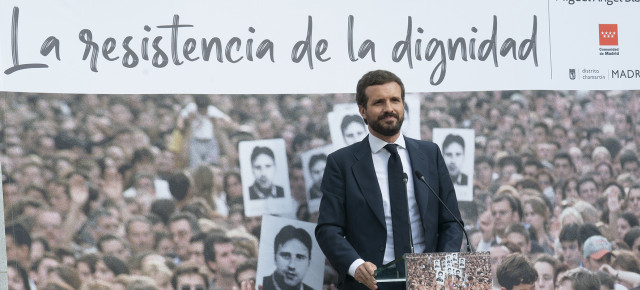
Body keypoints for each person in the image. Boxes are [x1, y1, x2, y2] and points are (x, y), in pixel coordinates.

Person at [316, 70, 463, 290]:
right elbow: (328, 228)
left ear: (403, 105)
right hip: (371, 282)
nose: (389, 108)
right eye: (379, 102)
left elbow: (451, 221)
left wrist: (441, 267)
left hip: (426, 281)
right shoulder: (342, 163)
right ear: (362, 111)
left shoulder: (430, 154)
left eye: (395, 100)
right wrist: (355, 266)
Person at [262, 225, 313, 290]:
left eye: (300, 257)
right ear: (275, 257)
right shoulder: (258, 285)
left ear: (309, 263)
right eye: (286, 256)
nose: (292, 265)